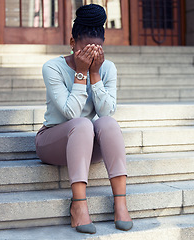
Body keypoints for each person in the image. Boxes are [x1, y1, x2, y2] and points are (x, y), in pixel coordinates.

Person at [35, 4, 132, 234]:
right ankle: (79, 205)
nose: (91, 55)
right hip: (53, 141)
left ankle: (120, 203)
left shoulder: (107, 68)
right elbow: (71, 113)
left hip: (87, 145)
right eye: (84, 49)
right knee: (81, 123)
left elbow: (107, 112)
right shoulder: (53, 68)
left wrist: (95, 74)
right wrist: (81, 73)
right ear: (71, 44)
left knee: (107, 123)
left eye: (96, 49)